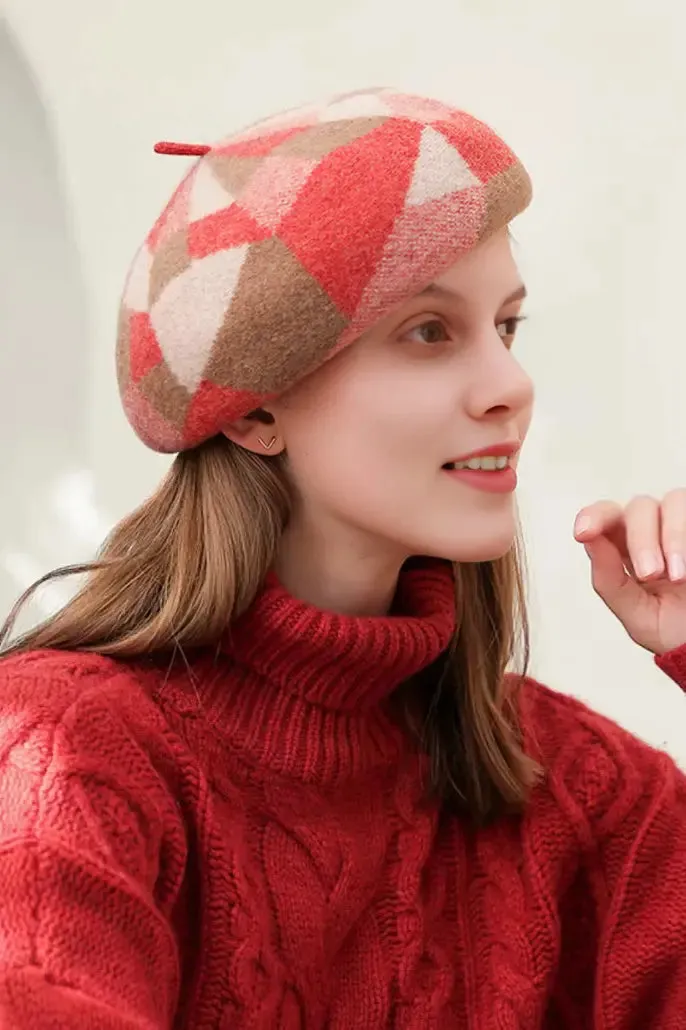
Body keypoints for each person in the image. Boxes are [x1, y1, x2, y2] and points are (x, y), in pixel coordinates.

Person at [0, 87, 685, 1029]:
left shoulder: (593, 796)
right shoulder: (64, 757)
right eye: (429, 332)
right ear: (254, 408)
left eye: (508, 326)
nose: (511, 385)